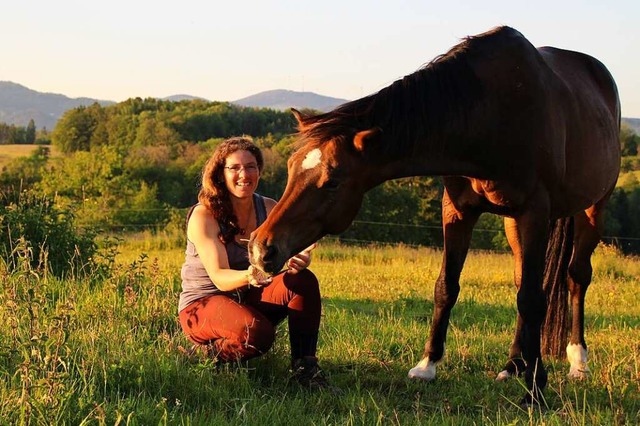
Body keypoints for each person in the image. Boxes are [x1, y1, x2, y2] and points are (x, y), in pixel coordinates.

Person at [178, 136, 330, 389]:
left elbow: (289, 252)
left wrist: (298, 258)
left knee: (302, 281)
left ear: (259, 171)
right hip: (204, 303)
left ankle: (306, 370)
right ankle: (205, 354)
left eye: (250, 167)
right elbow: (219, 277)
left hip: (249, 297)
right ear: (220, 173)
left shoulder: (269, 207)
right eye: (234, 167)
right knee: (257, 334)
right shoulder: (204, 215)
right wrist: (249, 275)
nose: (243, 174)